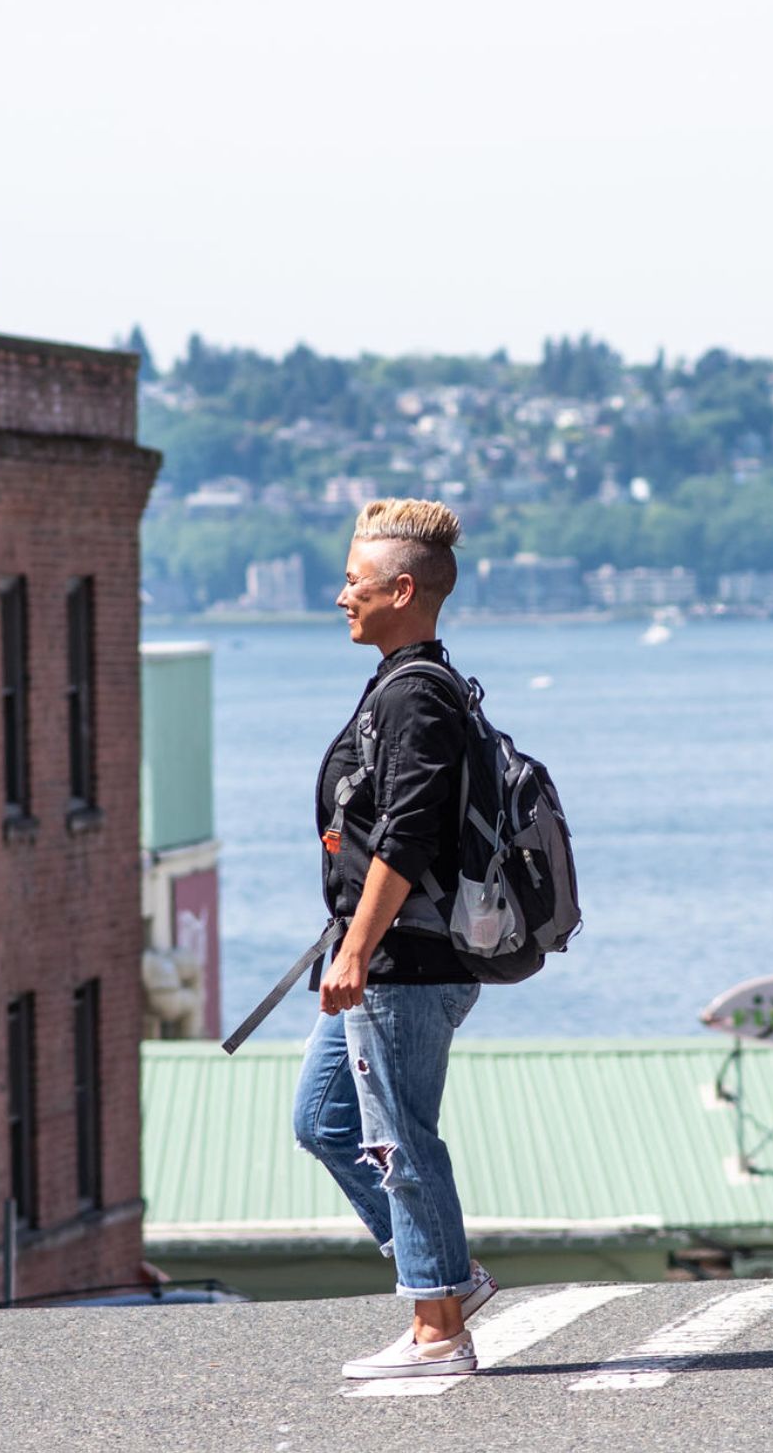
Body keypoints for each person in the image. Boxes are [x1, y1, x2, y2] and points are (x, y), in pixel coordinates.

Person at [293, 498, 498, 1380]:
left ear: (401, 589)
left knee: (398, 1139)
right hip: (381, 957)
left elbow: (405, 840)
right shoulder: (398, 682)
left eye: (354, 581)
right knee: (326, 1120)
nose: (342, 595)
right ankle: (443, 1274)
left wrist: (353, 949)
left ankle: (438, 1330)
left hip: (402, 965)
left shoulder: (416, 697)